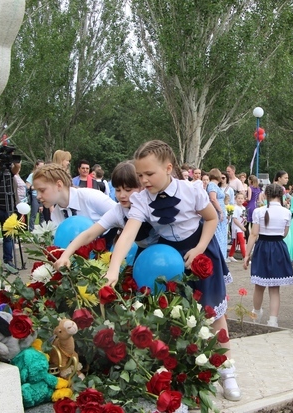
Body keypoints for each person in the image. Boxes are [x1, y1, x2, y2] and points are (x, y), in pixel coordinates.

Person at [103, 140, 240, 401]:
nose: (143, 180)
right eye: (140, 175)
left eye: (149, 174)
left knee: (214, 312)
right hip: (168, 257)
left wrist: (199, 248)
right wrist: (113, 269)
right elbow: (127, 235)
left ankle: (228, 371)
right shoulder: (141, 200)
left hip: (200, 249)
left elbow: (211, 218)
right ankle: (186, 375)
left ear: (168, 168)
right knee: (174, 315)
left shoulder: (191, 190)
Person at [53, 162, 157, 270]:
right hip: (143, 251)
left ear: (141, 187)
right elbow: (89, 234)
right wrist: (65, 255)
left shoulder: (152, 205)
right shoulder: (118, 212)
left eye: (128, 190)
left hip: (164, 249)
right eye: (118, 190)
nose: (122, 195)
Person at [243, 183, 293, 327]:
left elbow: (253, 234)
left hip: (262, 248)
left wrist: (247, 254)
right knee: (275, 288)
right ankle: (273, 320)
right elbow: (284, 233)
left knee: (259, 286)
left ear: (266, 195)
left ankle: (256, 314)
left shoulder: (258, 211)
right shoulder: (286, 212)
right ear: (281, 195)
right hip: (278, 248)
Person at [32, 163, 116, 227]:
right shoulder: (55, 214)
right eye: (36, 191)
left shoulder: (91, 197)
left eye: (42, 190)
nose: (38, 196)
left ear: (59, 185)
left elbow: (121, 215)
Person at [0, 151, 20, 273]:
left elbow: (16, 168)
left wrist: (13, 159)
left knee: (8, 237)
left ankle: (8, 261)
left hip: (7, 208)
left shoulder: (7, 170)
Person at [207, 168, 229, 262]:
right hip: (217, 212)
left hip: (220, 212)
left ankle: (222, 256)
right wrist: (220, 211)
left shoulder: (215, 186)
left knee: (222, 234)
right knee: (218, 234)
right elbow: (213, 198)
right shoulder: (212, 185)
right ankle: (219, 256)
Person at [26, 160, 45, 231]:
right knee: (33, 214)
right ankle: (31, 230)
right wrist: (35, 187)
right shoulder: (32, 175)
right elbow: (27, 186)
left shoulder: (43, 175)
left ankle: (42, 230)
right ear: (36, 166)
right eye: (40, 166)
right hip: (35, 196)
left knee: (42, 214)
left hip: (43, 196)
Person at [228, 192, 247, 262]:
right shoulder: (235, 208)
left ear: (244, 200)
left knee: (236, 242)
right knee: (242, 241)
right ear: (235, 199)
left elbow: (243, 217)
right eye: (239, 198)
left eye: (242, 198)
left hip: (241, 227)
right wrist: (241, 227)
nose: (240, 200)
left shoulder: (243, 208)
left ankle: (230, 255)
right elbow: (235, 219)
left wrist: (244, 224)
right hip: (237, 227)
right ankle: (245, 257)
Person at [245, 174, 262, 238]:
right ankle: (254, 238)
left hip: (250, 206)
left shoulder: (249, 188)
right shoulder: (258, 189)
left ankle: (248, 238)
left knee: (246, 224)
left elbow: (249, 198)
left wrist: (245, 198)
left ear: (250, 181)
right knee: (253, 223)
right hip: (255, 206)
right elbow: (259, 200)